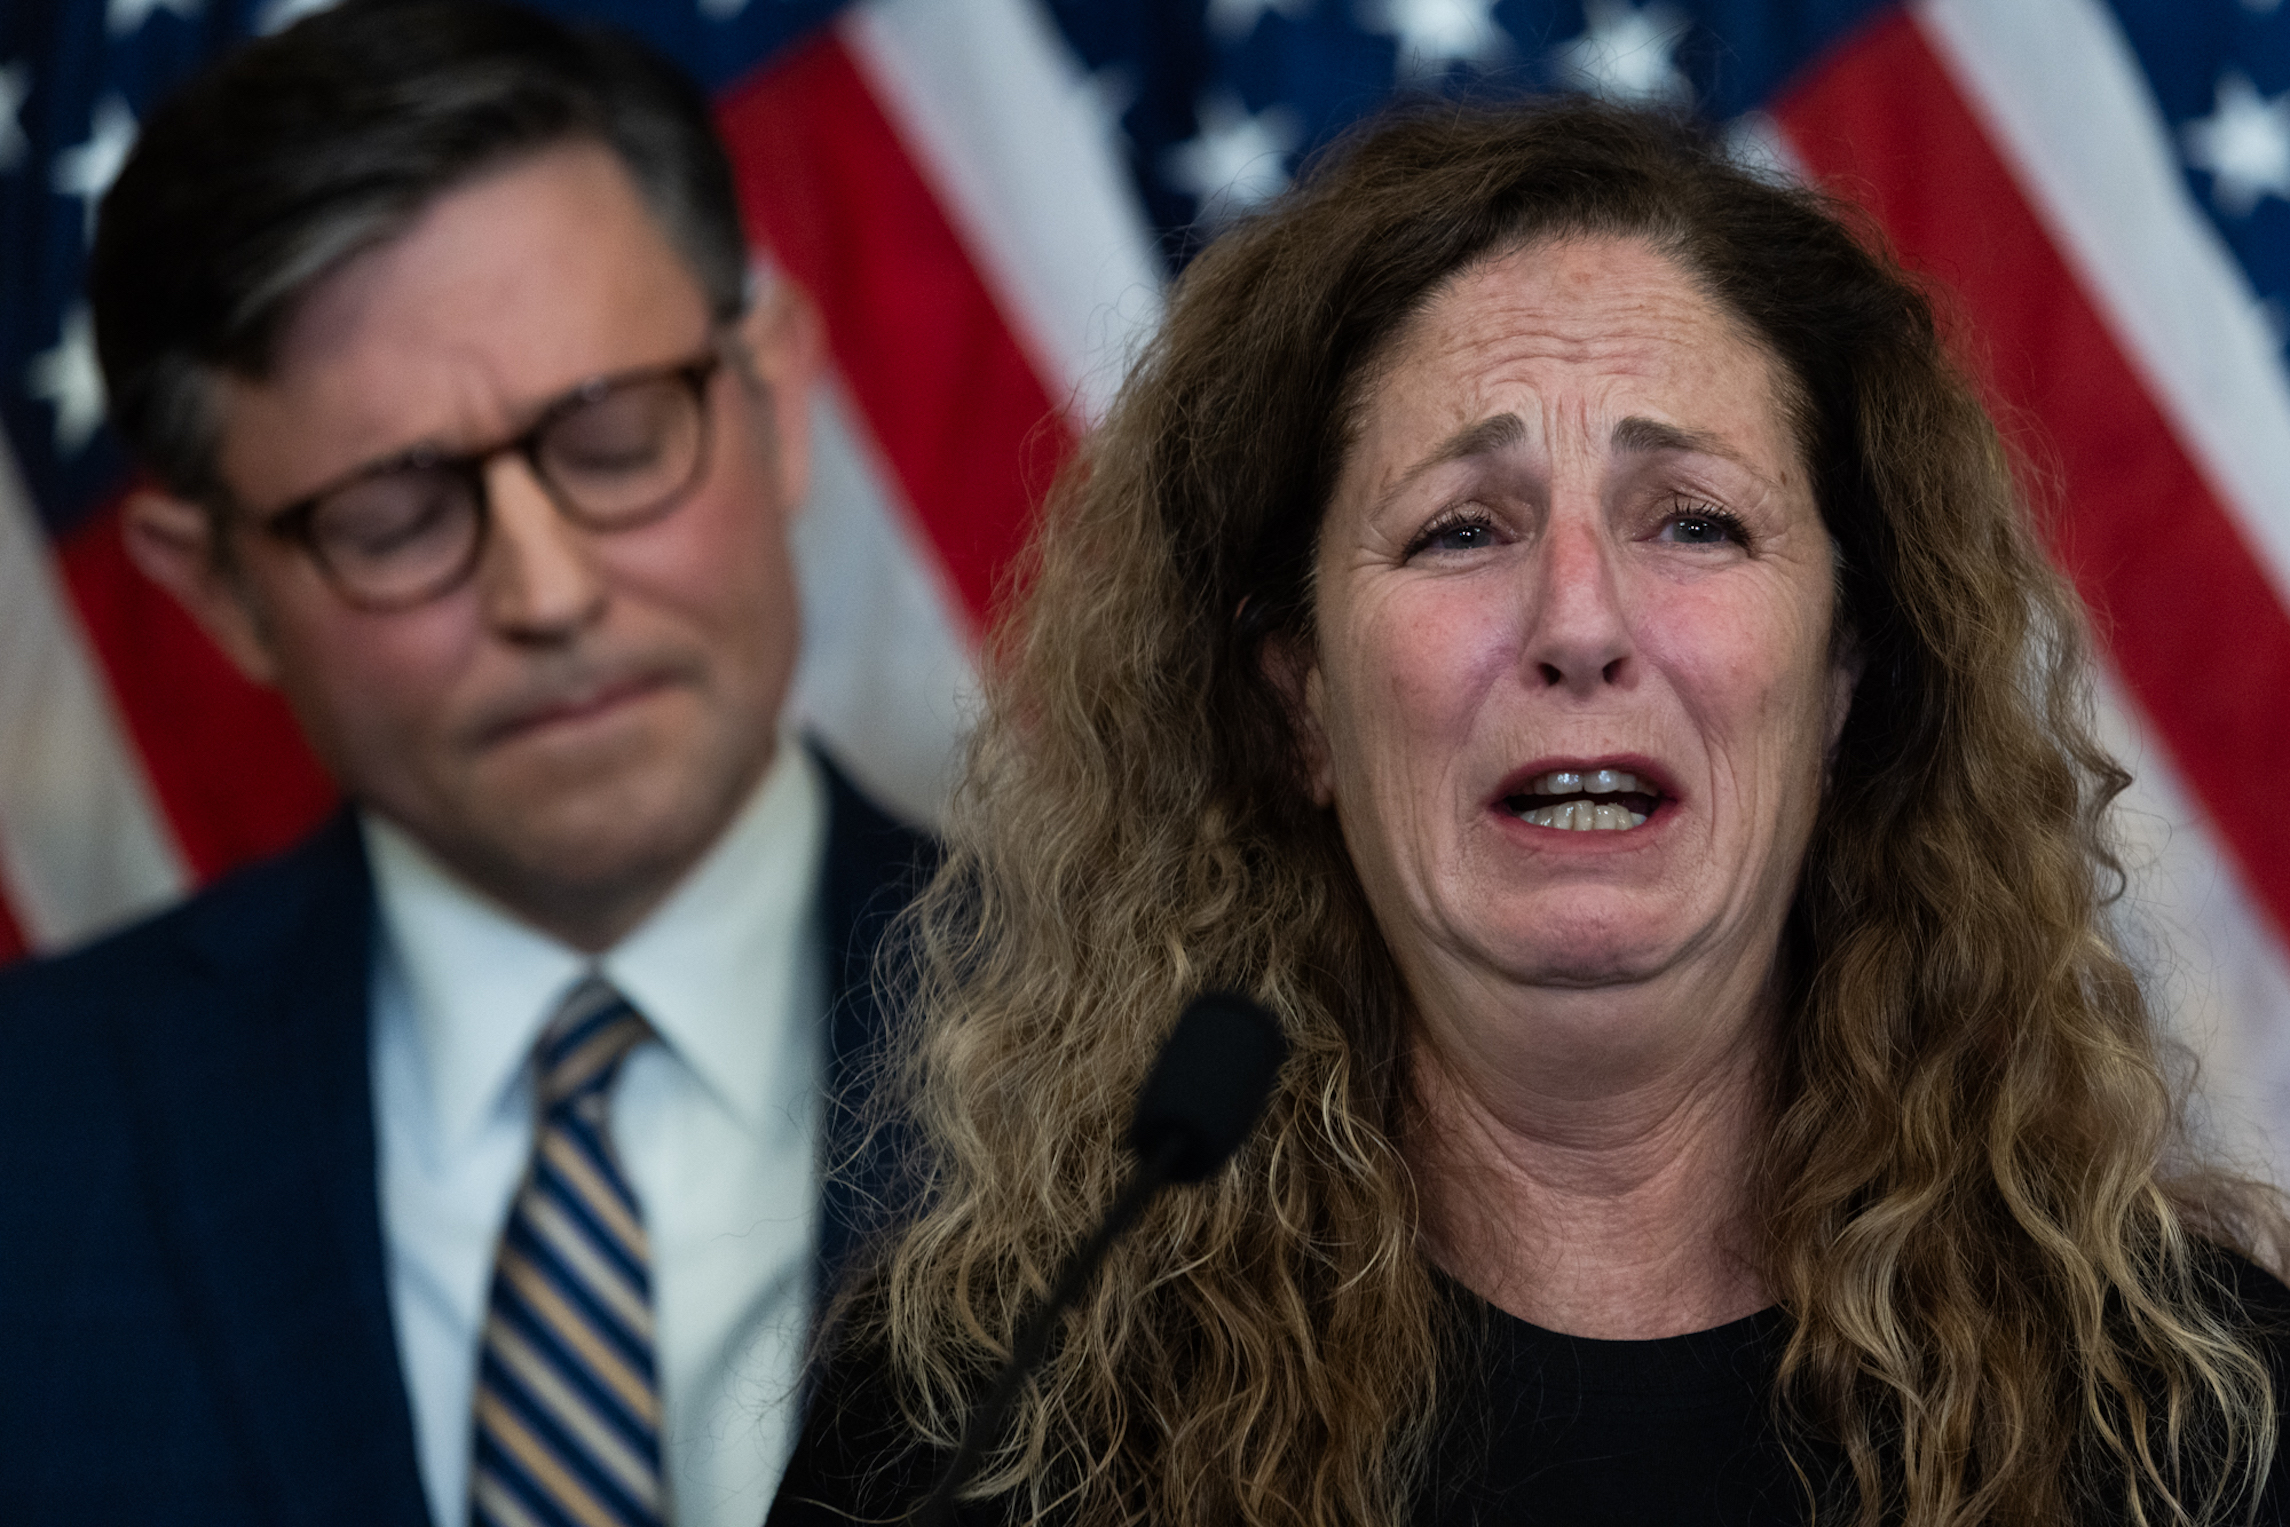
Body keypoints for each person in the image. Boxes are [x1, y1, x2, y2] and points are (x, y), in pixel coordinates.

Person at [768, 97, 2290, 1527]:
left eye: (1694, 521)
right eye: (1459, 531)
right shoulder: (983, 1427)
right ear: (1302, 700)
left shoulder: (2200, 1428)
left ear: (1843, 679)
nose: (1578, 620)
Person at [0, 4, 932, 1526]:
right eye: (395, 515)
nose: (546, 592)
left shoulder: (1162, 1064)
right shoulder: (31, 1146)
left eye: (614, 439)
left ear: (773, 401)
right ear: (219, 587)